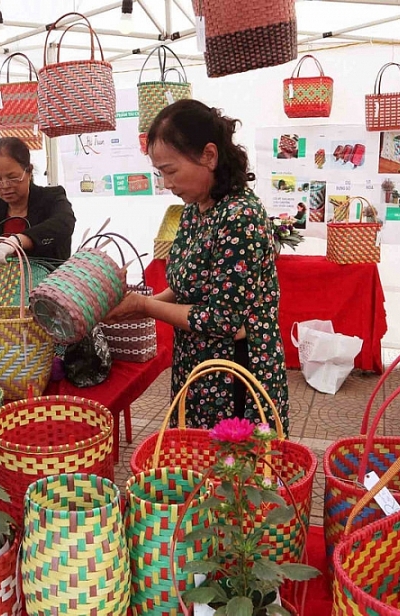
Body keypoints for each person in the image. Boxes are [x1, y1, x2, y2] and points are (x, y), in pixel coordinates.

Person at [103, 99, 289, 433]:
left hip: (237, 371)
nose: (166, 183)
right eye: (160, 173)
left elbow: (222, 319)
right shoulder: (194, 211)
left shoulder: (240, 217)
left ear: (209, 156)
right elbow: (186, 286)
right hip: (198, 365)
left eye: (170, 171)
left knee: (231, 457)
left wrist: (144, 305)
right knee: (195, 451)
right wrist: (140, 305)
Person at [0, 137, 76, 272]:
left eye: (13, 177)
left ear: (29, 171)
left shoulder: (51, 198)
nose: (5, 185)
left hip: (48, 283)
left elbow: (64, 223)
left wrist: (15, 241)